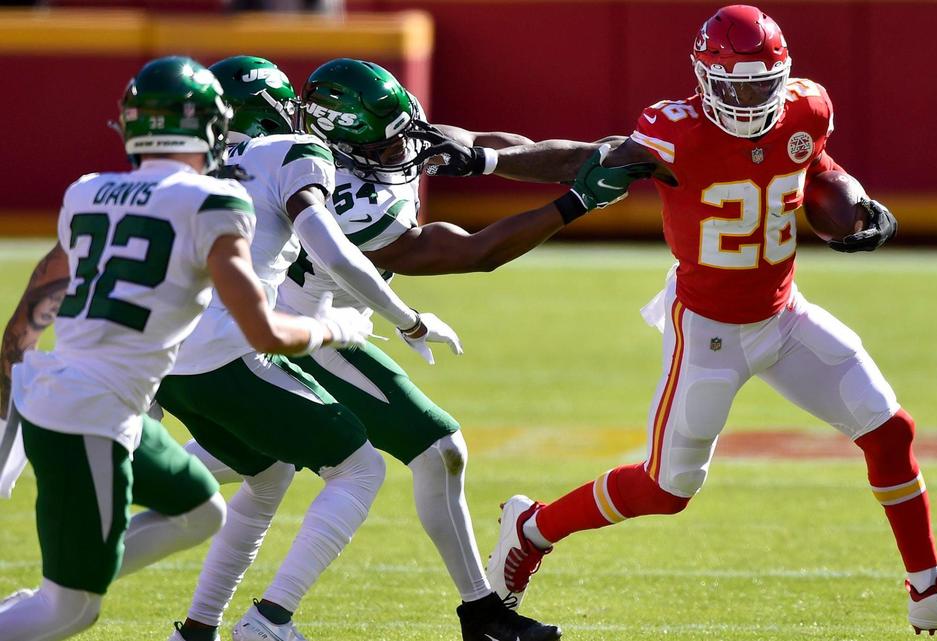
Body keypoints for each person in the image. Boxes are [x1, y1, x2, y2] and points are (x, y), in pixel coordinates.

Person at [423, 5, 937, 638]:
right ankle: (533, 528)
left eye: (765, 82)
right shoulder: (671, 129)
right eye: (737, 84)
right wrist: (482, 157)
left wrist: (861, 205)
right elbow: (580, 158)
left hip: (785, 316)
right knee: (667, 489)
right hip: (708, 331)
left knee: (888, 428)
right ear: (705, 78)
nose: (753, 97)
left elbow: (816, 165)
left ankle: (927, 591)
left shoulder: (807, 106)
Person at [170, 56, 652, 641]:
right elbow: (468, 252)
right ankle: (276, 618)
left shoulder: (379, 137)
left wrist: (611, 154)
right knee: (402, 452)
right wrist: (574, 204)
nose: (401, 154)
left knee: (276, 468)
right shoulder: (330, 184)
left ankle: (480, 614)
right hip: (298, 333)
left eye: (402, 134)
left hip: (303, 327)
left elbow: (492, 146)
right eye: (380, 149)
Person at [0, 56, 370, 641]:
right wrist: (339, 328)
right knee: (71, 612)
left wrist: (6, 418)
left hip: (81, 395)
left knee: (201, 509)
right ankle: (54, 596)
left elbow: (27, 319)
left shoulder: (88, 191)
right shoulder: (215, 202)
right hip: (90, 413)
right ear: (209, 126)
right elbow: (265, 332)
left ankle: (61, 585)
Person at [156, 55, 464, 641]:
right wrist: (408, 320)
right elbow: (334, 251)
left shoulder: (183, 174)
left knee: (267, 476)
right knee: (359, 468)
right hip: (230, 349)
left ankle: (197, 630)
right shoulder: (290, 151)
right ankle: (269, 621)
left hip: (166, 353)